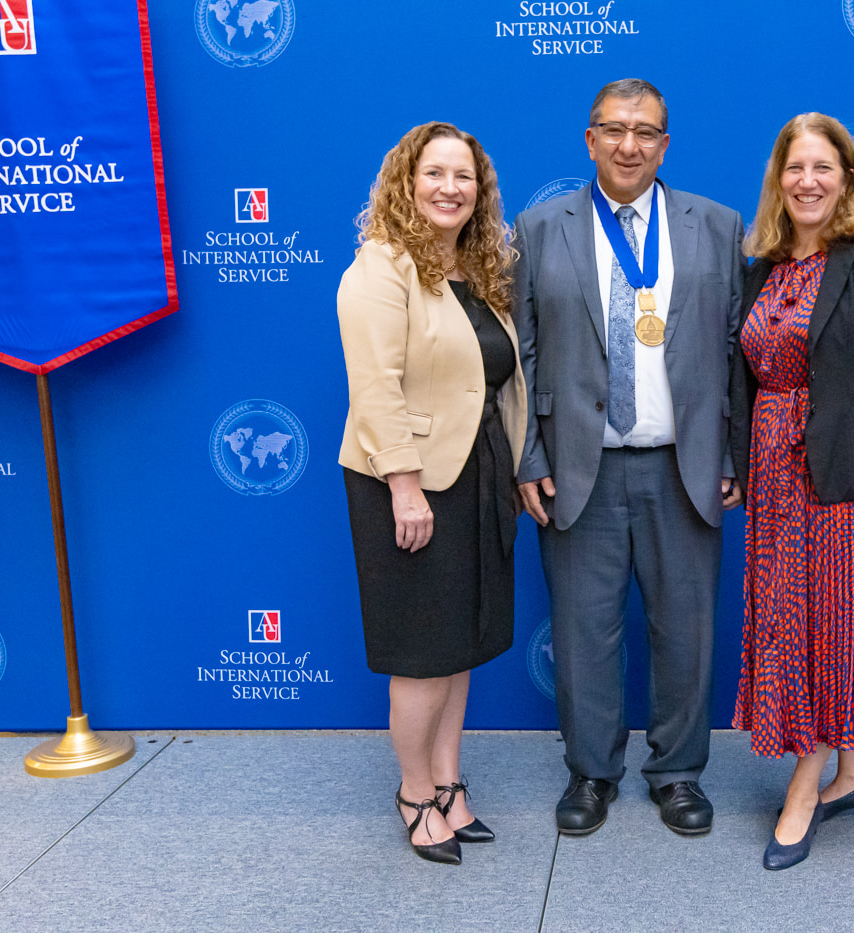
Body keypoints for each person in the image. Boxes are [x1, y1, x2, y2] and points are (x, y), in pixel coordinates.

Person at [512, 79, 746, 837]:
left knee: (687, 630)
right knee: (583, 632)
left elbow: (739, 355)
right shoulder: (541, 227)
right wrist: (528, 456)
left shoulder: (715, 225)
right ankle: (591, 771)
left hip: (686, 463)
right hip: (581, 464)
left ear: (665, 145)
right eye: (614, 129)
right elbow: (522, 356)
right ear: (589, 139)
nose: (629, 144)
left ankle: (678, 771)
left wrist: (734, 450)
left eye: (646, 132)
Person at [730, 113, 854, 870]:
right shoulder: (764, 264)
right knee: (790, 626)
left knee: (830, 629)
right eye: (795, 167)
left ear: (847, 179)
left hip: (843, 484)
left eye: (823, 168)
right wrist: (739, 469)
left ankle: (804, 786)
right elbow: (743, 378)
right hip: (773, 482)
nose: (808, 181)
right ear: (779, 179)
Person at [336, 122, 526, 865]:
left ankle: (449, 782)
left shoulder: (474, 271)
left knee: (459, 644)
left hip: (477, 474)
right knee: (421, 651)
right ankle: (415, 792)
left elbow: (492, 380)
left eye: (464, 177)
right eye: (435, 173)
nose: (450, 188)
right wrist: (405, 487)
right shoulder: (380, 267)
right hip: (406, 483)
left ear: (480, 194)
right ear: (406, 183)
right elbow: (375, 385)